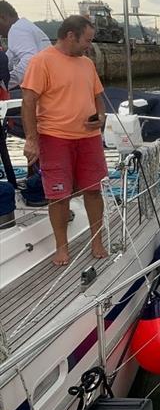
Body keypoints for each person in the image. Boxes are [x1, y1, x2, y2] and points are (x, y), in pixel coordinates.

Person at [21, 15, 108, 266]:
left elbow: (98, 97)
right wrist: (31, 140)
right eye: (87, 40)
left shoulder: (87, 64)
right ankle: (62, 247)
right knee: (58, 195)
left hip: (89, 138)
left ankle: (97, 240)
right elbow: (29, 101)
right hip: (55, 137)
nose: (89, 46)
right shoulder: (42, 62)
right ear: (71, 35)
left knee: (93, 190)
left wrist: (100, 118)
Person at [0, 0, 51, 90]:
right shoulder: (24, 26)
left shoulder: (16, 30)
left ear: (3, 18)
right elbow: (9, 58)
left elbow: (30, 61)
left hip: (41, 87)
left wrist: (6, 83)